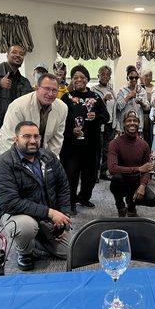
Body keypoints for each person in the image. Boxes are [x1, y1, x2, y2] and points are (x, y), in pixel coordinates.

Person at [0, 121, 71, 271]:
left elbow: (63, 187)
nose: (33, 141)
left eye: (36, 136)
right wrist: (50, 213)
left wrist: (63, 217)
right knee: (26, 227)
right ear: (16, 139)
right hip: (15, 214)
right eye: (26, 136)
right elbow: (9, 203)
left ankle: (36, 239)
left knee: (70, 251)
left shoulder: (48, 157)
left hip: (45, 216)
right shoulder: (3, 163)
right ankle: (25, 252)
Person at [60, 65, 109, 215]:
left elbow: (106, 117)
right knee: (71, 174)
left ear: (87, 79)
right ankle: (71, 202)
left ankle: (84, 197)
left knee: (90, 174)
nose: (79, 80)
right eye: (75, 77)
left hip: (92, 144)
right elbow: (60, 120)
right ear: (72, 80)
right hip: (71, 144)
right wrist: (70, 130)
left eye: (82, 77)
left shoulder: (95, 97)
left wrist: (96, 117)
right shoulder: (66, 98)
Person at [0, 73, 68, 156]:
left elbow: (56, 140)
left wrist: (50, 162)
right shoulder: (18, 106)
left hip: (38, 149)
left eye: (54, 90)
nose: (50, 94)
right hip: (10, 147)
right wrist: (21, 164)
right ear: (37, 88)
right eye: (47, 89)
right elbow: (9, 138)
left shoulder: (62, 108)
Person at [108, 111, 155, 217]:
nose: (132, 123)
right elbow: (112, 168)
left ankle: (131, 203)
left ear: (138, 123)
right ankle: (120, 203)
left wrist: (143, 186)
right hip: (121, 181)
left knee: (152, 200)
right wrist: (138, 169)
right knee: (117, 179)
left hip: (136, 182)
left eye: (135, 121)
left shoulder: (144, 145)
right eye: (129, 120)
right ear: (124, 124)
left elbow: (147, 169)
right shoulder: (114, 143)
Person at [91, 65, 117, 181]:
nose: (105, 76)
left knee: (108, 150)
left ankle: (103, 172)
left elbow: (115, 107)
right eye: (103, 74)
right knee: (97, 150)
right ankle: (94, 174)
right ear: (98, 76)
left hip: (110, 124)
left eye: (107, 75)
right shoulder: (93, 90)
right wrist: (103, 100)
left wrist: (116, 124)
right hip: (99, 124)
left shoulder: (111, 89)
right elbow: (91, 106)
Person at [116, 66, 150, 134]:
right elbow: (118, 107)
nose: (134, 79)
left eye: (136, 78)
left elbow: (147, 108)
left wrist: (141, 103)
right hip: (125, 126)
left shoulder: (142, 91)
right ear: (127, 78)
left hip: (138, 126)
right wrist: (129, 96)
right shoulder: (122, 91)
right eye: (131, 78)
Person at [140, 69, 154, 147]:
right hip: (143, 115)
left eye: (150, 75)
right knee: (144, 134)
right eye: (146, 75)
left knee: (152, 134)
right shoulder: (140, 88)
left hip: (153, 115)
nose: (148, 77)